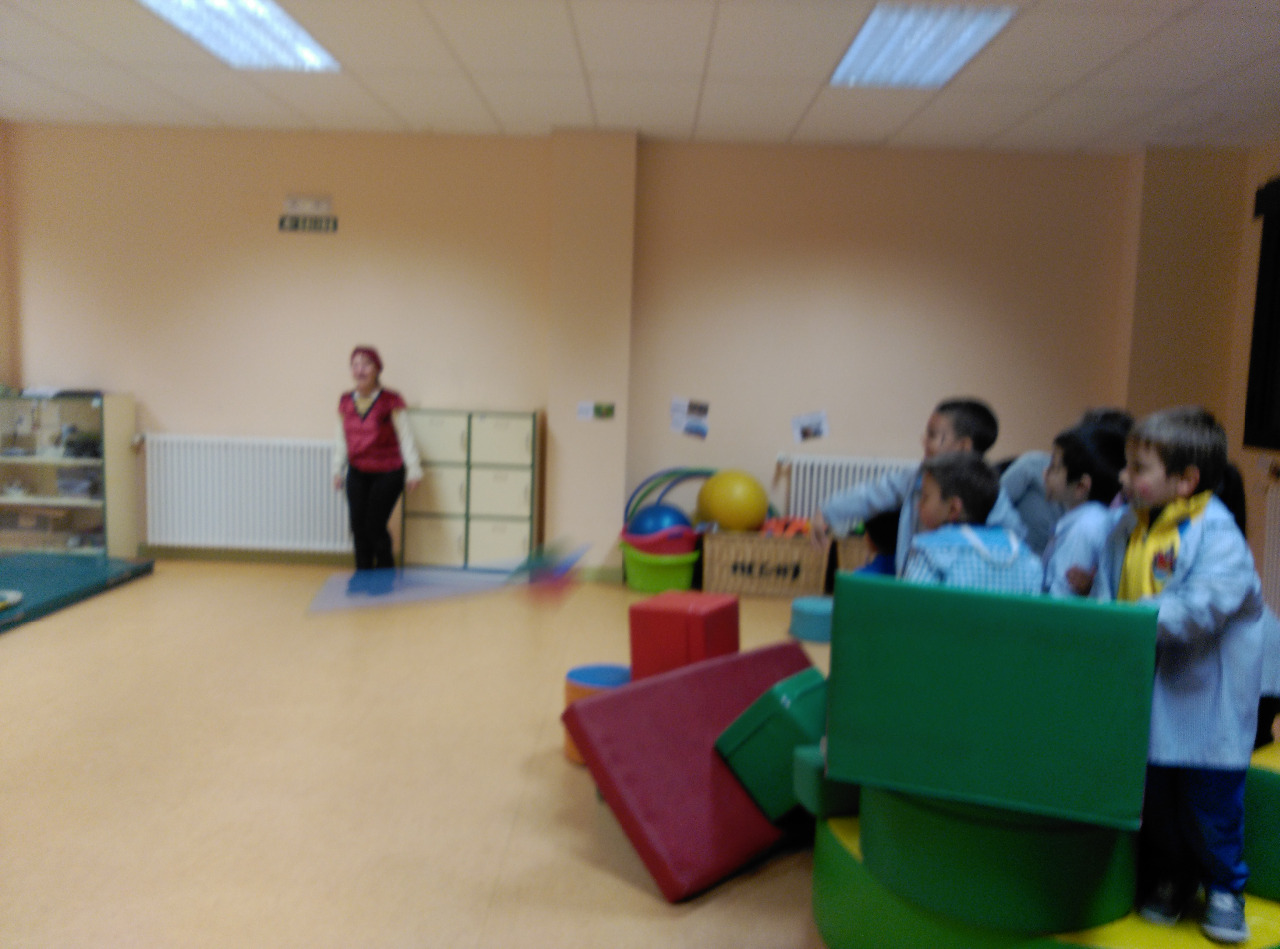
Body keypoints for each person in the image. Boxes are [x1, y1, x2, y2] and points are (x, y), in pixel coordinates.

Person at [1090, 407, 1264, 944]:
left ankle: (1225, 887)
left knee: (1212, 804)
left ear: (1185, 480)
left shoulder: (1218, 535)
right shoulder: (1129, 525)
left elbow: (1201, 607)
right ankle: (1172, 878)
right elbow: (1105, 587)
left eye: (1139, 468)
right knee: (1158, 801)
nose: (1125, 478)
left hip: (1205, 699)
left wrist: (1129, 618)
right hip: (1149, 693)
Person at [815, 397, 1022, 575]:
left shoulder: (990, 493)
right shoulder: (916, 476)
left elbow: (1014, 539)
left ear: (963, 446)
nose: (924, 441)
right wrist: (827, 511)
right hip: (915, 581)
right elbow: (872, 494)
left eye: (932, 435)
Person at [899, 451, 1043, 594]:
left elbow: (912, 602)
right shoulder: (1025, 555)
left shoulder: (928, 551)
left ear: (953, 508)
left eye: (925, 497)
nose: (918, 505)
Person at [331, 346, 422, 571]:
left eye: (366, 364)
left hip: (388, 471)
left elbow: (405, 436)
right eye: (355, 365)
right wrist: (337, 469)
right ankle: (363, 574)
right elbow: (341, 438)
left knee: (374, 525)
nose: (360, 369)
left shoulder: (390, 400)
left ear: (377, 369)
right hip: (357, 471)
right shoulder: (345, 401)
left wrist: (413, 469)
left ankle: (384, 575)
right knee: (357, 527)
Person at [1040, 422, 1125, 598]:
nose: (1045, 473)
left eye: (1054, 467)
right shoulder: (1093, 519)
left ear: (1081, 486)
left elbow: (1062, 595)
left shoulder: (1083, 528)